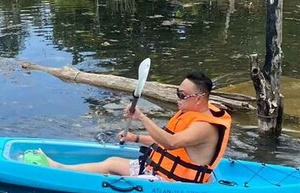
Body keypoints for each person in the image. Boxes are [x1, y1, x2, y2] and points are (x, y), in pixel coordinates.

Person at [22, 71, 232, 183]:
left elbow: (170, 143)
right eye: (177, 92)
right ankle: (60, 168)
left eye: (182, 95)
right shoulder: (192, 112)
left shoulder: (204, 126)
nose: (177, 99)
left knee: (121, 182)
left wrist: (141, 117)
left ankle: (59, 173)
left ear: (200, 98)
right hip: (160, 171)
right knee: (112, 161)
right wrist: (135, 138)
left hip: (176, 185)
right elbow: (170, 141)